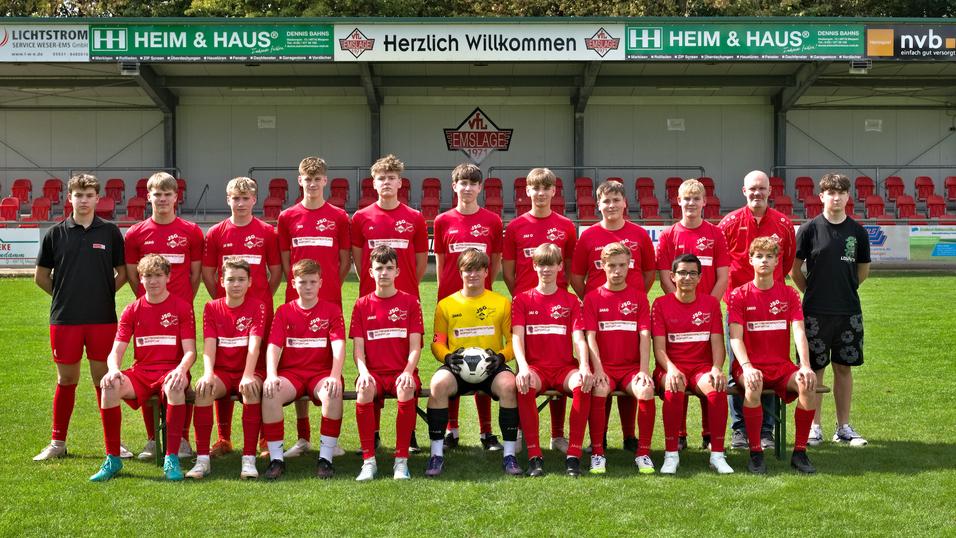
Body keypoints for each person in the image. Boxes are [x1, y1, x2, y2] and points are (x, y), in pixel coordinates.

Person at [34, 173, 129, 461]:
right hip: (65, 320)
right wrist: (66, 296)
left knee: (104, 380)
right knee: (66, 380)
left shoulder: (110, 232)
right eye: (79, 195)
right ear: (69, 198)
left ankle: (114, 445)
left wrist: (99, 293)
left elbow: (122, 273)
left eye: (89, 195)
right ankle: (57, 442)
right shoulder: (55, 233)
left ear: (98, 198)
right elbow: (41, 277)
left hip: (102, 318)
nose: (84, 200)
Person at [89, 254, 196, 482]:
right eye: (147, 276)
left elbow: (190, 352)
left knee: (176, 387)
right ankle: (113, 458)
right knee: (109, 386)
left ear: (168, 277)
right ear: (140, 278)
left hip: (171, 370)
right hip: (142, 371)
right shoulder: (132, 309)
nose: (153, 281)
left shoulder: (182, 307)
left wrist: (181, 369)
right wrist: (113, 369)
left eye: (158, 275)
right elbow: (116, 351)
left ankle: (172, 457)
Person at [570, 180, 655, 454]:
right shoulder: (588, 236)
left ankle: (630, 435)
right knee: (600, 372)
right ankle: (601, 435)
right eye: (606, 201)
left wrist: (632, 296)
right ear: (598, 205)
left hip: (630, 310)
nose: (611, 205)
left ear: (625, 203)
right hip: (599, 311)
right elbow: (576, 276)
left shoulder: (639, 235)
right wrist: (592, 299)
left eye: (616, 200)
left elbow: (649, 273)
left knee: (628, 365)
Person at [124, 171, 204, 461]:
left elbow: (195, 274)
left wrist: (180, 303)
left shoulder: (191, 231)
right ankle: (150, 440)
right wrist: (148, 301)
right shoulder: (135, 233)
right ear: (149, 197)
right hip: (147, 314)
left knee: (181, 371)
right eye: (157, 194)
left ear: (175, 197)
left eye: (167, 194)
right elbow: (134, 276)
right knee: (145, 370)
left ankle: (181, 439)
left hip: (180, 312)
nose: (162, 199)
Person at [276, 156, 351, 459]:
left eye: (317, 178)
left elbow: (344, 260)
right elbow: (285, 261)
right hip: (296, 302)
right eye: (307, 178)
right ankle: (303, 436)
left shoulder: (339, 216)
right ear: (300, 181)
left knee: (328, 364)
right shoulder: (287, 216)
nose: (312, 183)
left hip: (328, 299)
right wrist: (299, 288)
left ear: (325, 181)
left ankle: (330, 439)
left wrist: (328, 285)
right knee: (295, 363)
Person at [202, 176, 281, 457]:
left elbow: (276, 272)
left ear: (254, 200)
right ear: (228, 200)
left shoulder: (267, 232)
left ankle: (261, 439)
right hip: (226, 315)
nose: (241, 203)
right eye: (236, 198)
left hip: (260, 315)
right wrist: (224, 301)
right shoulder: (215, 233)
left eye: (246, 198)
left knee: (256, 372)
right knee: (225, 366)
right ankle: (224, 438)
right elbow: (208, 274)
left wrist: (258, 299)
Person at [425, 248, 521, 477]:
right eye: (468, 270)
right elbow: (437, 341)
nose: (473, 275)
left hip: (491, 367)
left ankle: (509, 455)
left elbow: (512, 342)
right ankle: (436, 454)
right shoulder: (446, 305)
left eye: (478, 269)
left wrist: (501, 357)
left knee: (509, 385)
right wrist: (447, 357)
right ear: (460, 272)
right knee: (437, 385)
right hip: (458, 366)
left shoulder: (501, 302)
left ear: (487, 272)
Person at [791, 173, 870, 447]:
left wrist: (843, 290)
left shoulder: (857, 232)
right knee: (815, 369)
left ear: (848, 197)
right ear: (821, 197)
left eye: (841, 193)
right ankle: (815, 426)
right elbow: (794, 271)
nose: (836, 198)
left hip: (848, 311)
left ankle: (844, 426)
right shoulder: (809, 229)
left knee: (844, 369)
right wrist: (812, 293)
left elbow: (862, 271)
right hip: (815, 313)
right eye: (830, 193)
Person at [719, 170, 796, 450]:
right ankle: (740, 429)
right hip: (739, 306)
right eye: (752, 188)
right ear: (743, 191)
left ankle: (766, 430)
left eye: (762, 188)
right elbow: (720, 263)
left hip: (773, 307)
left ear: (769, 191)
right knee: (737, 367)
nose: (757, 193)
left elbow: (785, 263)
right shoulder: (729, 223)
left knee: (772, 365)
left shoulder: (784, 224)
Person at [502, 167, 578, 454]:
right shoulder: (516, 226)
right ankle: (522, 431)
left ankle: (557, 435)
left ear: (554, 192)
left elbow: (569, 268)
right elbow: (508, 271)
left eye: (547, 188)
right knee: (529, 366)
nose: (541, 193)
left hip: (557, 305)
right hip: (527, 304)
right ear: (527, 192)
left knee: (559, 361)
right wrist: (523, 297)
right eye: (536, 188)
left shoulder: (566, 226)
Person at [728, 237, 818, 474]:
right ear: (751, 260)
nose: (764, 261)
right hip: (749, 366)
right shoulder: (739, 295)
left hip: (781, 366)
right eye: (759, 256)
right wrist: (746, 367)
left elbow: (799, 331)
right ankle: (756, 453)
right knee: (753, 384)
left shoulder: (789, 294)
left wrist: (805, 365)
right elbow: (735, 337)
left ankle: (800, 452)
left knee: (807, 384)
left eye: (769, 256)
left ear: (778, 261)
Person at [432, 163, 504, 451]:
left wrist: (484, 292)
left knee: (482, 361)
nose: (468, 188)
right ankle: (453, 430)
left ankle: (487, 433)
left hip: (482, 302)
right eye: (462, 183)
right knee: (453, 361)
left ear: (479, 188)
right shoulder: (442, 221)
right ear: (454, 186)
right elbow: (439, 264)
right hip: (452, 305)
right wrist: (444, 298)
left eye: (473, 183)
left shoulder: (493, 221)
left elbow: (495, 262)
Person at [656, 179, 730, 451]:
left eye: (696, 199)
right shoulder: (668, 235)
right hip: (677, 313)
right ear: (678, 201)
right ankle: (680, 434)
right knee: (678, 369)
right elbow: (665, 277)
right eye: (686, 199)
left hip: (707, 313)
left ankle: (710, 434)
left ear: (704, 202)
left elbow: (723, 276)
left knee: (709, 367)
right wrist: (681, 304)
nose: (691, 203)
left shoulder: (716, 234)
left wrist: (706, 306)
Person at [260, 259, 347, 480]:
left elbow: (338, 346)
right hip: (292, 374)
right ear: (293, 284)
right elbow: (273, 347)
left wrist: (335, 376)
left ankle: (325, 458)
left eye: (312, 282)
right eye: (302, 282)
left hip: (321, 374)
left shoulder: (332, 310)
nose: (307, 287)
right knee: (270, 392)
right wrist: (271, 375)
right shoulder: (284, 311)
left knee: (333, 391)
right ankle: (276, 460)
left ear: (320, 283)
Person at [512, 243, 592, 477]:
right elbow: (517, 337)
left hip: (564, 368)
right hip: (536, 368)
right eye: (541, 264)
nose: (546, 269)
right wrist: (524, 367)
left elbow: (579, 338)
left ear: (560, 267)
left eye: (551, 264)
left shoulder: (570, 301)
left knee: (583, 384)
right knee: (525, 385)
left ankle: (573, 457)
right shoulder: (522, 300)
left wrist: (585, 365)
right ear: (534, 266)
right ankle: (535, 456)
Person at [651, 254, 733, 475]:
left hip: (701, 369)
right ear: (672, 276)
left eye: (692, 273)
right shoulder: (660, 304)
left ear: (699, 278)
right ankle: (671, 455)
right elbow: (659, 348)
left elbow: (717, 343)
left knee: (717, 388)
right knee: (674, 384)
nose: (687, 277)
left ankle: (717, 455)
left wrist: (716, 368)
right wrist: (671, 369)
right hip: (670, 367)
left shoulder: (711, 304)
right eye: (682, 273)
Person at [187, 257, 267, 480]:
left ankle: (249, 460)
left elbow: (255, 345)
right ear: (221, 281)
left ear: (250, 282)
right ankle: (203, 460)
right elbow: (209, 345)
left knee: (250, 389)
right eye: (231, 279)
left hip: (250, 370)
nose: (236, 284)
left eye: (241, 279)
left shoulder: (257, 306)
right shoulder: (212, 307)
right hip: (223, 372)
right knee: (203, 389)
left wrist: (249, 374)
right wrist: (208, 373)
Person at [351, 245, 425, 480]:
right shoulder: (361, 304)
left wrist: (407, 371)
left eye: (389, 268)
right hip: (373, 373)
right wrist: (363, 372)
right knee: (363, 390)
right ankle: (368, 461)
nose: (384, 273)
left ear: (397, 272)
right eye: (379, 268)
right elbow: (358, 350)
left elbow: (415, 347)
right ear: (370, 272)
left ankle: (401, 461)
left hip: (400, 372)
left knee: (406, 387)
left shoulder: (411, 302)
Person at [583, 243, 656, 474]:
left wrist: (644, 370)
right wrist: (598, 370)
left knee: (645, 391)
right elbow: (590, 338)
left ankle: (643, 453)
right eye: (612, 265)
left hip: (631, 369)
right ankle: (597, 453)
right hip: (604, 368)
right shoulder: (593, 297)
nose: (617, 270)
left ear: (629, 266)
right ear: (602, 266)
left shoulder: (639, 298)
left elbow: (645, 336)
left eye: (622, 265)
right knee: (599, 390)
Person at [351, 154, 428, 299]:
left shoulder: (415, 217)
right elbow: (359, 262)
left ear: (399, 183)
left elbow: (422, 263)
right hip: (371, 295)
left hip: (407, 295)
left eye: (391, 178)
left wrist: (408, 284)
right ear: (374, 184)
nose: (386, 182)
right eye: (381, 178)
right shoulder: (360, 217)